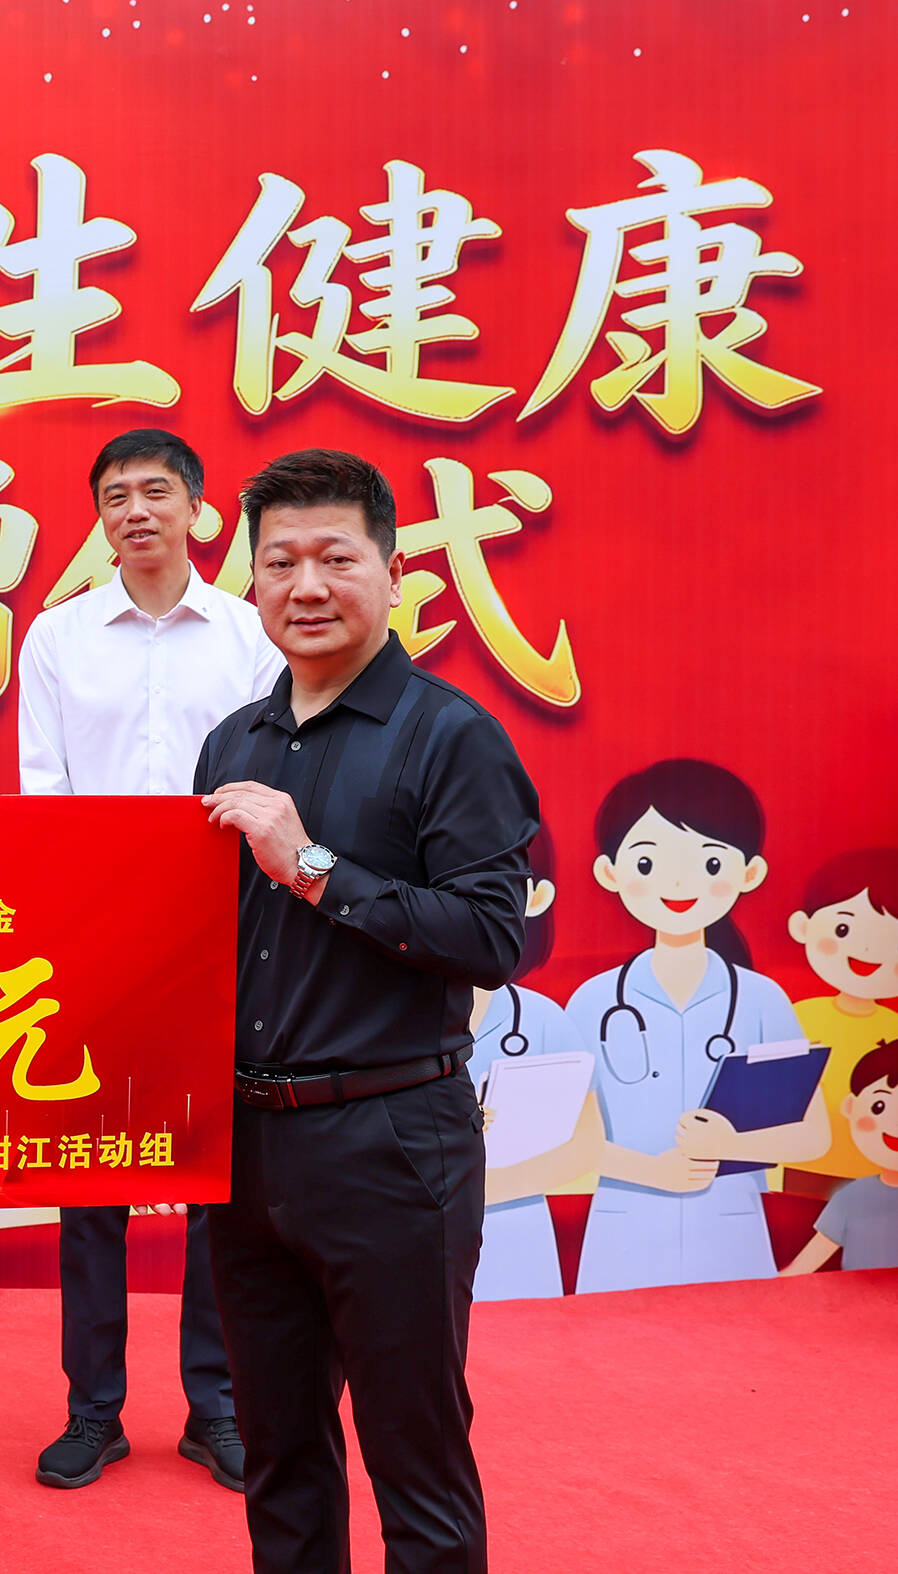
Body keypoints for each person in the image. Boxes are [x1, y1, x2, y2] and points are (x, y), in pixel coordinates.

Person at [195, 448, 538, 1574]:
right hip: (245, 1149)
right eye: (279, 561)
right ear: (252, 581)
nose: (306, 585)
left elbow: (492, 939)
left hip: (391, 1143)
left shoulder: (451, 734)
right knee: (278, 1454)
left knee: (415, 1457)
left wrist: (312, 867)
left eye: (335, 558)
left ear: (393, 574)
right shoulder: (233, 742)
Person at [15, 427, 277, 1494]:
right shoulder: (58, 637)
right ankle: (94, 1409)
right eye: (115, 496)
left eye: (156, 491)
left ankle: (216, 1407)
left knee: (220, 1181)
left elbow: (274, 774)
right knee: (93, 1180)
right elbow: (43, 791)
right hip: (100, 939)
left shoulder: (250, 634)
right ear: (100, 518)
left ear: (197, 510)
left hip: (233, 932)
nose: (136, 510)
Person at [564, 760, 828, 1293]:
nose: (679, 883)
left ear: (750, 873)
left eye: (709, 862)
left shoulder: (761, 1000)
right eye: (648, 862)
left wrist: (733, 1144)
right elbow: (569, 1140)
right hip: (626, 1231)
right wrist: (653, 1172)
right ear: (610, 873)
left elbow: (813, 1135)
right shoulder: (593, 1002)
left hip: (729, 1231)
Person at [463, 827, 598, 1302]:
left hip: (520, 1238)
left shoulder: (544, 1020)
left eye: (500, 885)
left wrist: (485, 1189)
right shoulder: (390, 1017)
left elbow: (586, 1146)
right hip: (417, 1235)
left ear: (535, 897)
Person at [780, 849, 898, 1200]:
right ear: (803, 927)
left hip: (871, 1173)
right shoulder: (799, 1016)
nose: (867, 950)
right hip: (798, 1165)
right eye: (844, 929)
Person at [780, 1039, 898, 1273]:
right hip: (856, 1295)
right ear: (850, 1107)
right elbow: (803, 1268)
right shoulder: (852, 1197)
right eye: (879, 1107)